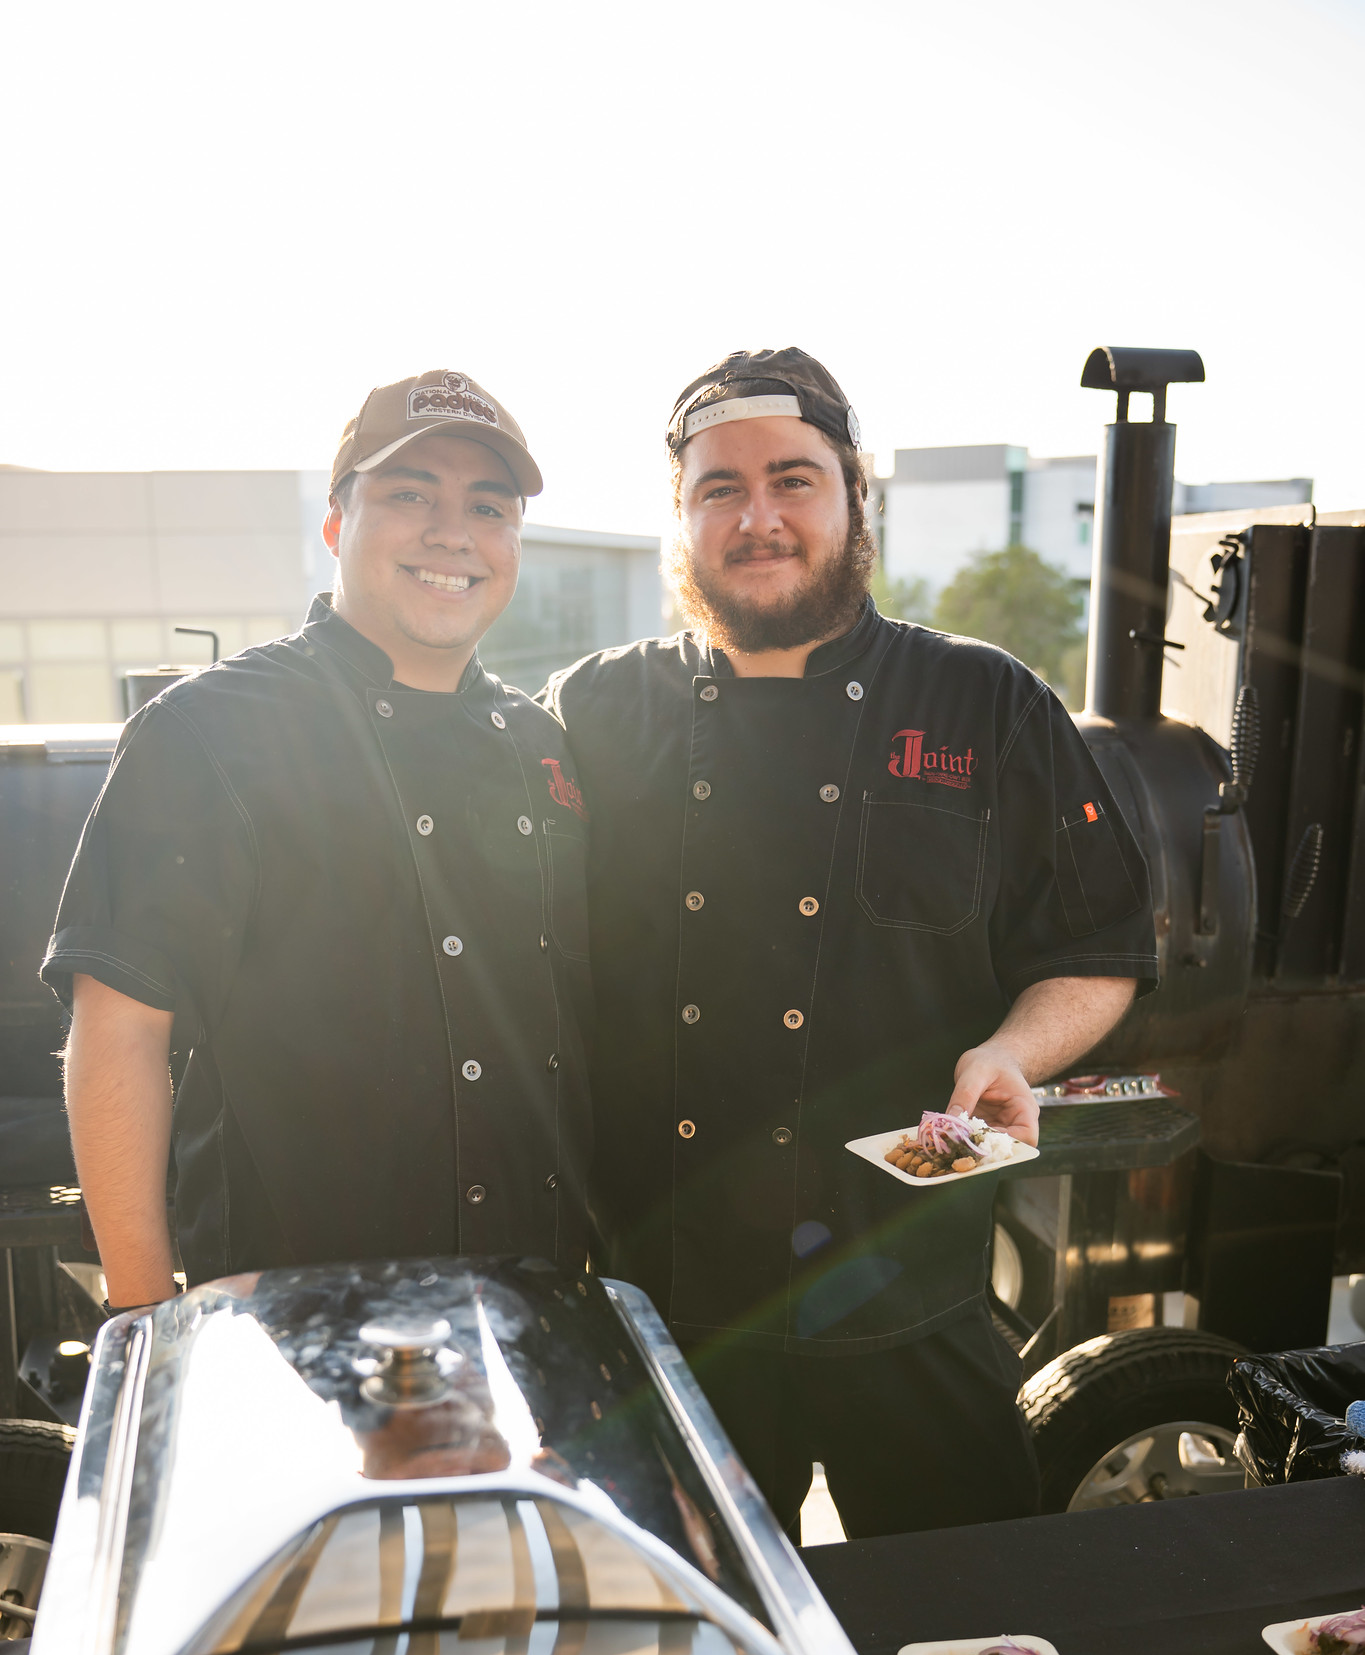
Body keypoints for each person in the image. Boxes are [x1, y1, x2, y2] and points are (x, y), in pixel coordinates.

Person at [544, 346, 1158, 1540]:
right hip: (671, 1315)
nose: (758, 517)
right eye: (719, 488)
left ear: (855, 498)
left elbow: (1096, 945)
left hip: (913, 1290)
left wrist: (1014, 1052)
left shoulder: (984, 699)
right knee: (702, 1653)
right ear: (681, 516)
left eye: (793, 479)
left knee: (973, 1621)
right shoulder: (593, 713)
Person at [43, 370, 592, 1310]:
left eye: (486, 506)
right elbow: (120, 1030)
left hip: (529, 1305)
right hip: (286, 1321)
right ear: (336, 524)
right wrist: (143, 1318)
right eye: (410, 493)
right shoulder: (209, 730)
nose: (451, 532)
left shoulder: (539, 745)